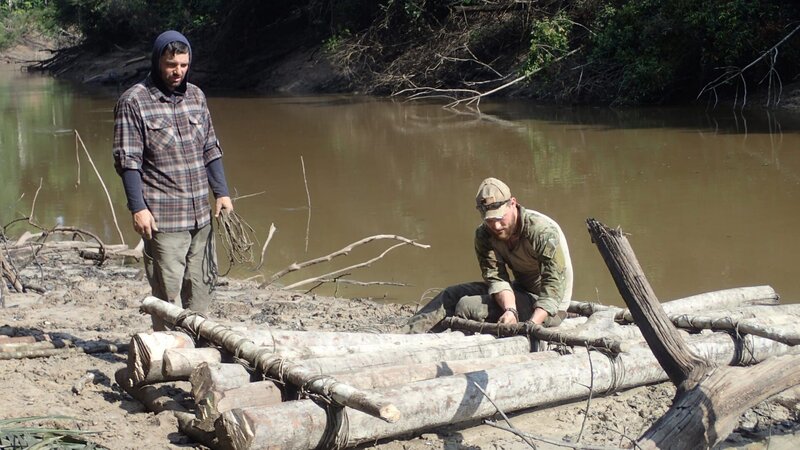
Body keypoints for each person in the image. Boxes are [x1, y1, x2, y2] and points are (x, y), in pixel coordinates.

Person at [112, 30, 233, 330]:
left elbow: (210, 147)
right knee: (168, 294)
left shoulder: (196, 96)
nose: (177, 71)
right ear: (157, 61)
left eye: (183, 64)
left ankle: (197, 343)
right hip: (163, 219)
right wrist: (137, 208)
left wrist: (222, 192)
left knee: (202, 285)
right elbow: (128, 162)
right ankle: (168, 352)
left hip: (200, 216)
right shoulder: (134, 102)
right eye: (170, 64)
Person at [405, 177, 573, 333]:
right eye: (490, 220)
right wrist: (510, 309)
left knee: (467, 306)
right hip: (521, 290)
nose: (497, 226)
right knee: (450, 295)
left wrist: (532, 325)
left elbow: (553, 286)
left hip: (551, 306)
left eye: (501, 218)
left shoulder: (542, 232)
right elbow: (496, 278)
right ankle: (405, 336)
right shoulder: (484, 235)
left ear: (513, 203)